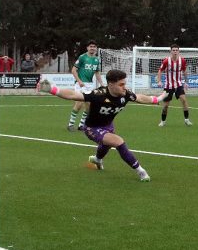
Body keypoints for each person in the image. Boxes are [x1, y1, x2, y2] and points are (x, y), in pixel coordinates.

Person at [38, 70, 167, 181]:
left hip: (108, 126)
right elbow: (73, 95)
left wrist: (157, 99)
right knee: (118, 141)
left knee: (107, 144)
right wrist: (51, 89)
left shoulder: (125, 94)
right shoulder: (98, 95)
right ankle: (141, 171)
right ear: (111, 84)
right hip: (91, 128)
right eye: (121, 84)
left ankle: (97, 160)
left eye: (125, 84)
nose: (124, 87)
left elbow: (139, 98)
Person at [68, 40, 104, 132]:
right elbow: (73, 70)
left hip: (89, 85)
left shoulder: (96, 59)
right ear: (87, 48)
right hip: (80, 84)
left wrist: (101, 83)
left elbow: (97, 72)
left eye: (94, 46)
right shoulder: (82, 57)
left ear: (96, 48)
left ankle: (81, 125)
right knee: (79, 103)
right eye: (91, 46)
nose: (92, 48)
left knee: (88, 106)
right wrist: (79, 81)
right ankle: (71, 124)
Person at [157, 44, 192, 127]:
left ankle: (187, 120)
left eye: (177, 50)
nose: (175, 52)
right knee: (165, 106)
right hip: (168, 86)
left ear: (179, 51)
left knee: (184, 100)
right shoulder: (166, 61)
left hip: (178, 85)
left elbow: (184, 71)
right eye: (174, 50)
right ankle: (163, 121)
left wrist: (186, 82)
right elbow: (160, 70)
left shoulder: (182, 61)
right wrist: (159, 81)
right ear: (171, 51)